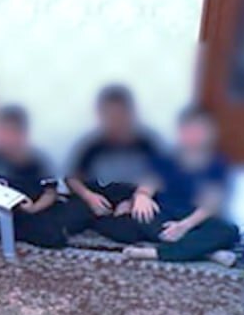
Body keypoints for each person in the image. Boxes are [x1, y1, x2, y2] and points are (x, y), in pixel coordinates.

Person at [123, 106, 239, 266]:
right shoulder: (166, 158)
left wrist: (184, 226)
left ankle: (156, 253)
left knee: (229, 231)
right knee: (140, 215)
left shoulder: (217, 164)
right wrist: (142, 196)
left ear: (210, 134)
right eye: (189, 130)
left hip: (196, 218)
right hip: (165, 215)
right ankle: (208, 253)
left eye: (199, 131)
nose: (193, 136)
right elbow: (148, 184)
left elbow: (211, 204)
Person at [62, 85, 166, 244]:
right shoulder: (92, 144)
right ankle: (100, 219)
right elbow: (71, 178)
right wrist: (88, 196)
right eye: (110, 114)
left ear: (130, 113)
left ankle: (103, 222)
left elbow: (159, 175)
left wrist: (138, 197)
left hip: (132, 198)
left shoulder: (146, 142)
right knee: (64, 222)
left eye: (120, 114)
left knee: (138, 228)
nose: (115, 120)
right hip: (98, 199)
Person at [0, 105, 69, 249]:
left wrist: (34, 208)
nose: (6, 137)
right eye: (1, 131)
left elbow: (50, 193)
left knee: (53, 237)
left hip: (26, 209)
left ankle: (7, 230)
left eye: (11, 132)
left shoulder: (37, 160)